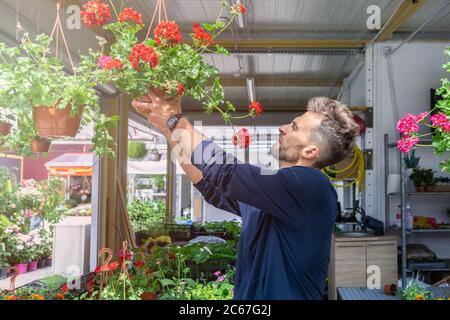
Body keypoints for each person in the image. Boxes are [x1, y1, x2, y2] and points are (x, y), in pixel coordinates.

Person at [132, 91, 359, 300]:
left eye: (295, 127)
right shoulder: (276, 195)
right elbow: (212, 187)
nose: (283, 127)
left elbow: (226, 172)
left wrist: (175, 120)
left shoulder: (312, 185)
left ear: (310, 151)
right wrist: (170, 131)